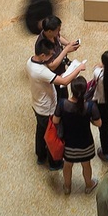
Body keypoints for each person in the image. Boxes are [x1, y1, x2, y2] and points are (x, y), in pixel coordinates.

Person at [30, 34, 85, 167]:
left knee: (41, 130)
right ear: (42, 56)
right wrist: (78, 69)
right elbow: (65, 81)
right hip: (47, 108)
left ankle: (40, 155)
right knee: (52, 134)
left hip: (37, 104)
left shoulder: (30, 61)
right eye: (50, 56)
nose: (52, 58)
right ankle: (54, 163)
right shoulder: (42, 71)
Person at [56, 76, 100, 193]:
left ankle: (67, 187)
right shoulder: (90, 106)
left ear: (72, 90)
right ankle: (88, 185)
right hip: (85, 143)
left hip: (68, 143)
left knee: (67, 165)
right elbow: (99, 123)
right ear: (85, 90)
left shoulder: (62, 104)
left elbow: (55, 121)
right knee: (86, 165)